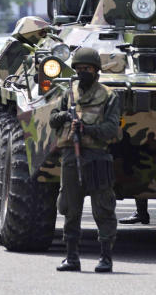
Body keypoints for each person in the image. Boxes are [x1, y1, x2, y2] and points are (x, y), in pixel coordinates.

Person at [49, 47, 121, 273]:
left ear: (96, 71)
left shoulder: (109, 95)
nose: (82, 72)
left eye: (87, 69)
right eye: (78, 69)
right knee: (71, 209)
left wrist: (87, 128)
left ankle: (106, 257)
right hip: (71, 156)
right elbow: (52, 120)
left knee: (103, 209)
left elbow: (111, 128)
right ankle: (72, 257)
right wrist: (66, 117)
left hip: (97, 158)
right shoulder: (69, 93)